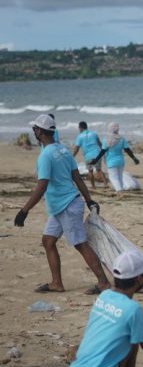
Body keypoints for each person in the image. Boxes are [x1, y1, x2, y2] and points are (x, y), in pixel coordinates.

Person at [14, 114, 111, 295]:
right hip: (61, 206)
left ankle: (103, 283)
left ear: (40, 132)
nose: (33, 131)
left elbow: (42, 186)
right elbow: (77, 178)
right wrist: (88, 199)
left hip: (67, 206)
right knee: (48, 241)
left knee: (80, 244)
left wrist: (24, 210)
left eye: (34, 128)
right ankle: (56, 283)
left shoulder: (46, 156)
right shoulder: (63, 150)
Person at [89, 123, 140, 193]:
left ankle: (119, 191)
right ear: (117, 129)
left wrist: (95, 160)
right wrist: (134, 158)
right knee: (119, 177)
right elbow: (127, 150)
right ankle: (121, 191)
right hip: (121, 161)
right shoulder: (122, 139)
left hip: (111, 162)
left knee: (113, 178)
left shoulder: (106, 140)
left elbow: (103, 151)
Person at [73, 121, 109, 189]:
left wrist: (72, 156)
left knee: (90, 171)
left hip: (88, 156)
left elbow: (76, 149)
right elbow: (100, 144)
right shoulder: (94, 134)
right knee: (99, 170)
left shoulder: (80, 136)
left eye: (79, 128)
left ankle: (93, 186)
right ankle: (105, 184)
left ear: (81, 128)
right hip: (97, 154)